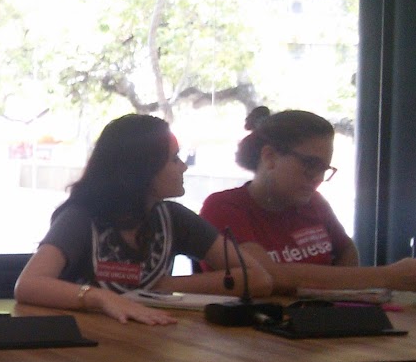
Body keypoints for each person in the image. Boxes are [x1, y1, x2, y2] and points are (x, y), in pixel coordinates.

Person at [14, 113, 274, 325]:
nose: (184, 167)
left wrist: (165, 286)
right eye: (174, 159)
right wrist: (100, 298)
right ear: (141, 170)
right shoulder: (80, 217)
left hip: (150, 338)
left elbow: (258, 278)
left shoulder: (174, 217)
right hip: (88, 344)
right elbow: (28, 285)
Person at [201, 107, 416, 295]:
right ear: (269, 157)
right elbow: (267, 274)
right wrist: (386, 276)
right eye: (310, 164)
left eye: (324, 168)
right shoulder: (224, 207)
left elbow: (346, 250)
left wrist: (342, 295)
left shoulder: (314, 203)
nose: (318, 178)